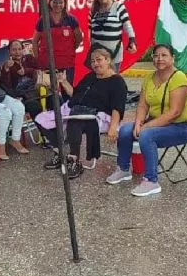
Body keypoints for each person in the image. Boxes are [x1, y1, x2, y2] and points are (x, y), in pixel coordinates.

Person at [106, 44, 187, 197]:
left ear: (172, 58)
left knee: (147, 135)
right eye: (156, 55)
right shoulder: (149, 77)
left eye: (164, 55)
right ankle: (123, 169)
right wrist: (139, 122)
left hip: (181, 127)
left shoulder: (178, 77)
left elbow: (175, 112)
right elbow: (142, 105)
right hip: (155, 123)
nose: (159, 59)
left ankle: (151, 180)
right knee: (126, 130)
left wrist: (146, 126)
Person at [41, 47, 127, 179]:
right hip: (79, 110)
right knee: (45, 119)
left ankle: (74, 160)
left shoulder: (117, 81)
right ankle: (59, 153)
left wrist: (113, 127)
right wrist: (63, 81)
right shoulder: (90, 76)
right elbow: (75, 94)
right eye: (93, 61)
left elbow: (118, 107)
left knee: (74, 121)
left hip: (100, 117)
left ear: (108, 60)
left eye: (99, 60)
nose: (95, 64)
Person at [32, 0, 83, 86]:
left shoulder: (71, 20)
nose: (58, 5)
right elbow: (35, 41)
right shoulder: (43, 20)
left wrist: (71, 49)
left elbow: (79, 38)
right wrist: (37, 59)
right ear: (50, 3)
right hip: (46, 64)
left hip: (66, 64)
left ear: (65, 3)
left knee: (66, 93)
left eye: (61, 2)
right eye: (55, 2)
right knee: (48, 94)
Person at [88, 0, 136, 72]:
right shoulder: (94, 10)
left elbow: (127, 25)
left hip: (113, 55)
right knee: (98, 82)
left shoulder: (118, 6)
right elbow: (91, 31)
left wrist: (132, 41)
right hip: (97, 56)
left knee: (112, 82)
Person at [0, 39, 43, 118]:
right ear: (9, 52)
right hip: (23, 96)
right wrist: (6, 69)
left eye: (19, 49)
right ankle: (45, 128)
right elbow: (7, 86)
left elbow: (40, 71)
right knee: (34, 106)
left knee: (55, 99)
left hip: (38, 90)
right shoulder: (7, 65)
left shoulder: (29, 58)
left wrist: (26, 71)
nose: (17, 52)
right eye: (14, 50)